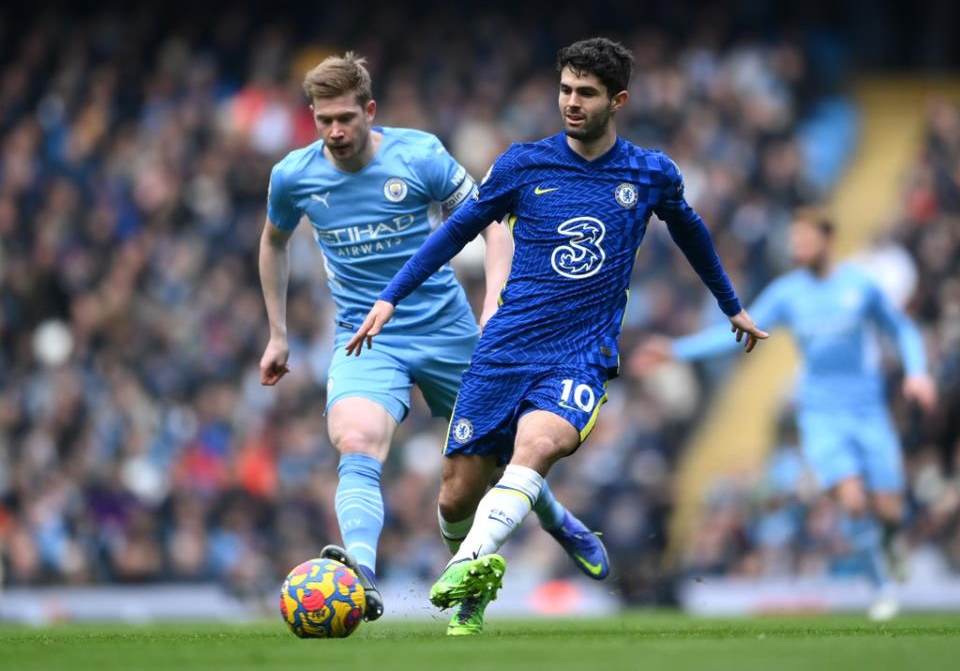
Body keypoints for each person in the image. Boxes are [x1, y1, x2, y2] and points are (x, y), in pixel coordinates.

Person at [345, 37, 767, 633]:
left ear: (617, 100)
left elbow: (691, 230)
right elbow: (456, 231)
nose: (571, 102)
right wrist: (391, 296)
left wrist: (731, 306)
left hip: (579, 353)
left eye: (586, 93)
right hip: (505, 348)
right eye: (565, 89)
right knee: (454, 498)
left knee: (537, 447)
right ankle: (489, 569)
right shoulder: (523, 163)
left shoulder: (649, 174)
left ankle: (466, 567)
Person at [258, 53, 606, 627]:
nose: (336, 132)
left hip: (448, 333)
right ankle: (363, 575)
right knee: (356, 439)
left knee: (500, 462)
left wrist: (494, 302)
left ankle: (558, 519)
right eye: (324, 121)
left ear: (370, 111)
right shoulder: (294, 175)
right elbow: (273, 242)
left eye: (346, 117)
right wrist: (278, 333)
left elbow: (493, 222)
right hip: (364, 338)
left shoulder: (418, 155)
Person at [632, 207, 938, 621]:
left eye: (805, 240)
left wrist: (917, 373)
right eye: (794, 242)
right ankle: (882, 590)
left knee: (889, 510)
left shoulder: (860, 286)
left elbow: (900, 329)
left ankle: (889, 540)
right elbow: (739, 331)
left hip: (868, 410)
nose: (798, 248)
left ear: (828, 241)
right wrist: (675, 350)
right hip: (820, 413)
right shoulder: (788, 292)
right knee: (850, 501)